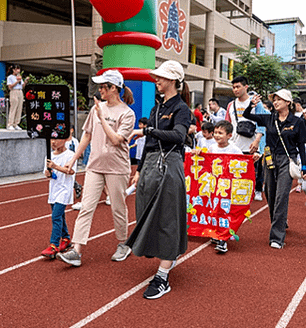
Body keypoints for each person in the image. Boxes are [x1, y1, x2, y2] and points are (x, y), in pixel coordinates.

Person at [126, 60, 192, 300]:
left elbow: (178, 136)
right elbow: (149, 145)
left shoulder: (182, 108)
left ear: (173, 80)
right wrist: (140, 169)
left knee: (167, 218)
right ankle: (166, 257)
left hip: (170, 165)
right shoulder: (156, 108)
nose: (157, 80)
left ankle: (163, 276)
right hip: (152, 166)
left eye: (161, 77)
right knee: (146, 213)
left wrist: (147, 131)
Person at [57, 69, 136, 267]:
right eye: (100, 86)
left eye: (103, 86)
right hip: (94, 166)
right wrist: (74, 159)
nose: (100, 90)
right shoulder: (96, 109)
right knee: (86, 207)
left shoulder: (127, 113)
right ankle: (76, 250)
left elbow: (117, 140)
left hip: (117, 168)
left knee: (118, 208)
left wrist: (102, 117)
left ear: (114, 88)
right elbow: (87, 136)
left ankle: (123, 243)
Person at [244, 89, 306, 249]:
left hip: (287, 160)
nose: (275, 102)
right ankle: (280, 220)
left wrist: (304, 165)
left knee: (281, 196)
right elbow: (247, 116)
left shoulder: (297, 121)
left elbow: (301, 145)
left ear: (288, 102)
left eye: (279, 99)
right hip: (269, 158)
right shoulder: (269, 118)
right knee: (270, 195)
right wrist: (251, 105)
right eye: (274, 99)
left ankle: (277, 237)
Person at [204, 120, 244, 253]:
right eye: (215, 132)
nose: (217, 135)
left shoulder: (235, 150)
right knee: (214, 209)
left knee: (225, 211)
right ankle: (216, 233)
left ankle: (223, 239)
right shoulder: (212, 148)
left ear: (229, 136)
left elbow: (243, 164)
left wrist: (252, 159)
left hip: (227, 187)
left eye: (220, 133)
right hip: (214, 186)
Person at [40, 137, 77, 259]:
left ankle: (54, 244)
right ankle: (66, 238)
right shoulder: (49, 155)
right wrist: (48, 173)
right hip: (53, 190)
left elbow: (70, 171)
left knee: (55, 216)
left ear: (65, 139)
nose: (53, 142)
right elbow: (48, 174)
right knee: (60, 216)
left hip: (64, 190)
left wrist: (55, 166)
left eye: (57, 139)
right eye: (51, 140)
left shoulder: (71, 155)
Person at [6, 65, 28, 131]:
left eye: (19, 69)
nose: (18, 71)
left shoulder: (19, 77)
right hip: (14, 91)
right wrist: (17, 81)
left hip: (20, 91)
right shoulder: (10, 77)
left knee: (19, 107)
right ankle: (10, 124)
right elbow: (10, 87)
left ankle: (16, 124)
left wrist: (25, 81)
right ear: (13, 70)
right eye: (17, 69)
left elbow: (22, 86)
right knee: (13, 107)